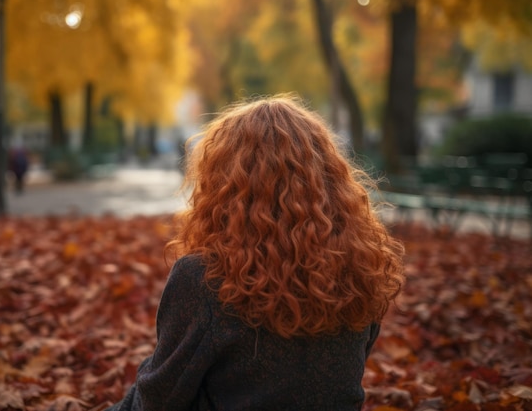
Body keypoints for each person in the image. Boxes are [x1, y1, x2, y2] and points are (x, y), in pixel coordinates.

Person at [106, 95, 405, 411]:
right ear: (330, 177)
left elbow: (159, 400)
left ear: (223, 184)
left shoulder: (204, 278)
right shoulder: (361, 266)